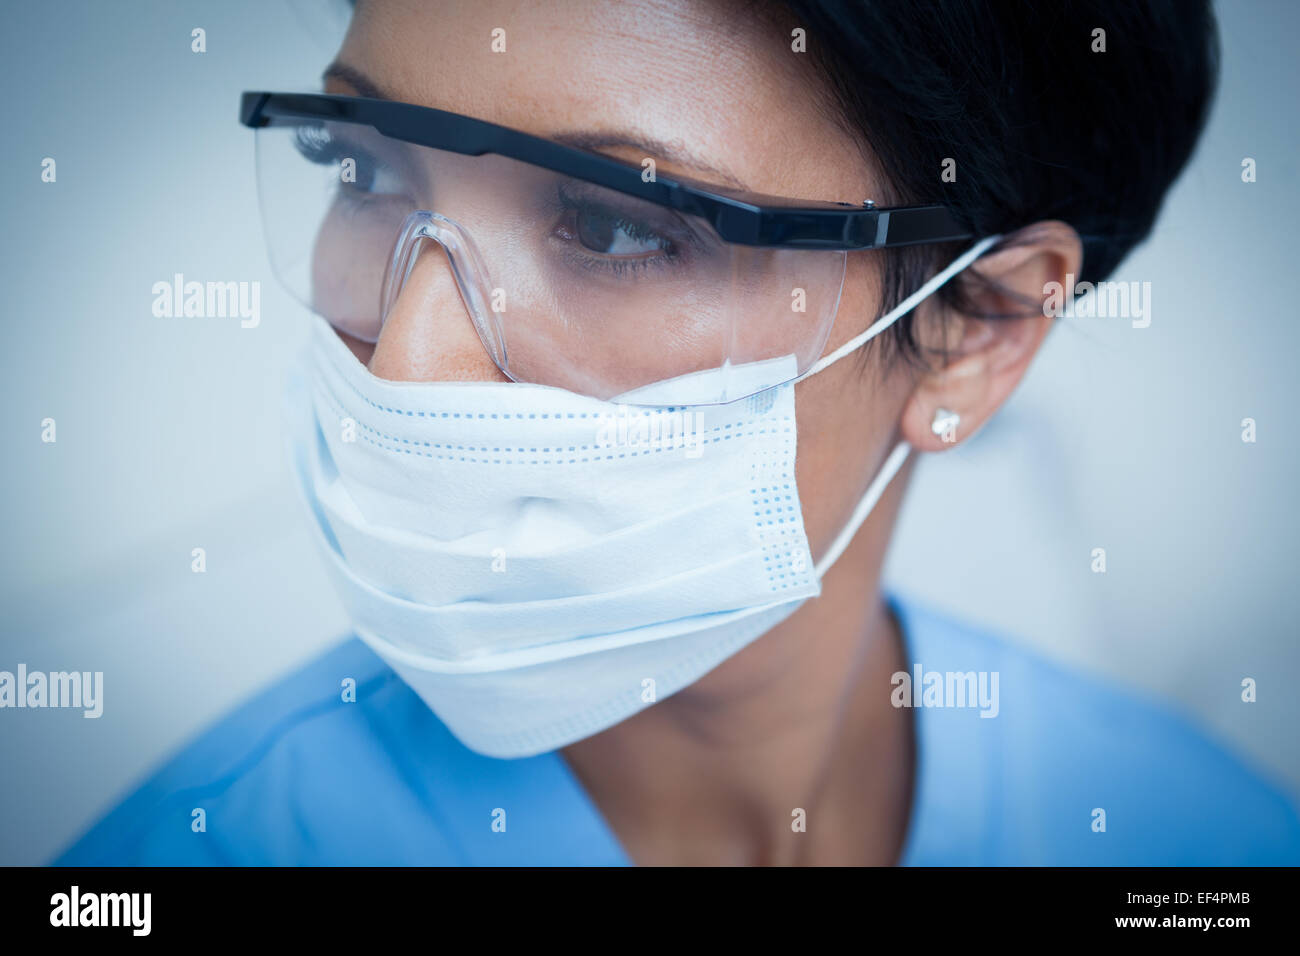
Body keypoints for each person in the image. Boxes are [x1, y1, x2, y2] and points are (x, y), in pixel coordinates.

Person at [57, 0, 1300, 866]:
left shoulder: (1193, 840)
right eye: (363, 167)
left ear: (978, 323)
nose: (407, 361)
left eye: (611, 227)